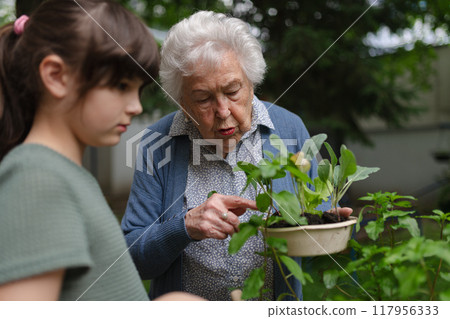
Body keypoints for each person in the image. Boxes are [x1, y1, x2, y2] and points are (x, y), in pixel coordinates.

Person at [121, 11, 352, 301]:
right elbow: (131, 256)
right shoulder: (158, 143)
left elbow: (318, 222)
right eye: (203, 98)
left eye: (232, 91)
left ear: (251, 81)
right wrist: (184, 227)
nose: (223, 111)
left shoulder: (289, 128)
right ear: (181, 102)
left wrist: (329, 222)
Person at [0, 0, 163, 301]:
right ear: (56, 76)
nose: (136, 106)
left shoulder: (64, 173)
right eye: (121, 85)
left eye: (139, 89)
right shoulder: (36, 177)